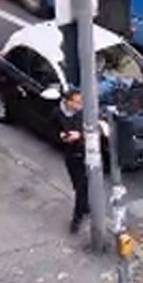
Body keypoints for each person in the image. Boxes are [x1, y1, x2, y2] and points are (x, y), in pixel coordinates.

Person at [53, 89, 89, 234]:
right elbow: (52, 129)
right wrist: (61, 136)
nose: (80, 105)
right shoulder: (57, 113)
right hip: (71, 155)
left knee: (82, 188)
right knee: (78, 186)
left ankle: (77, 218)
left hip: (86, 153)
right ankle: (85, 207)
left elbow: (92, 129)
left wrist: (79, 135)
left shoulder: (83, 112)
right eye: (77, 102)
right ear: (68, 102)